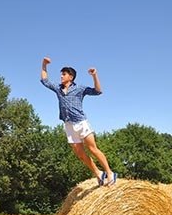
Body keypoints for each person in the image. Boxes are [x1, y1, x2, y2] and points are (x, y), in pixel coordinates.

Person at [40, 56, 116, 186]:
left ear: (71, 77)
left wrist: (95, 75)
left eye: (63, 74)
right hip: (68, 124)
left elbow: (98, 91)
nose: (61, 77)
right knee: (80, 154)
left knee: (93, 149)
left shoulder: (79, 89)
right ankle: (98, 173)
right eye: (61, 74)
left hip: (81, 122)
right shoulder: (58, 89)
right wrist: (44, 65)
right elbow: (45, 80)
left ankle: (109, 173)